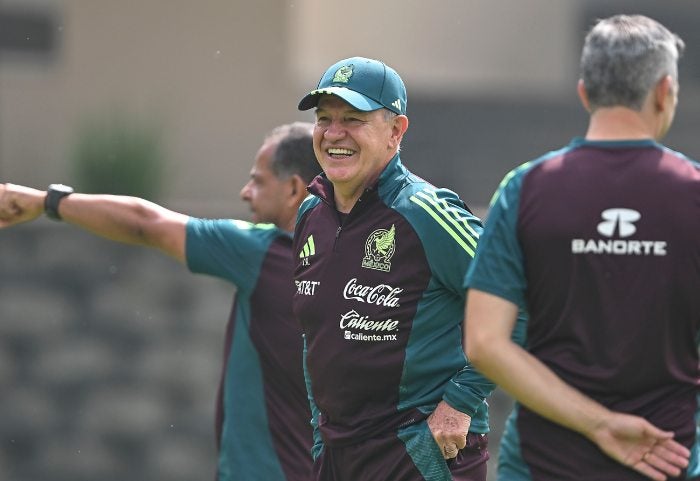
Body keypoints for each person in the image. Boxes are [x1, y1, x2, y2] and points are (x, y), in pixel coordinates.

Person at [0, 122, 320, 481]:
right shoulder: (359, 277)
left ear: (294, 188)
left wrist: (47, 201)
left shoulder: (264, 253)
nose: (246, 192)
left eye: (258, 181)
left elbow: (145, 222)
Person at [463, 14, 699, 481]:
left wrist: (600, 424)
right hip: (670, 458)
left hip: (541, 463)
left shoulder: (524, 189)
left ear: (585, 92)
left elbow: (484, 342)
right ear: (664, 91)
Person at [292, 56, 496, 481]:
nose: (334, 133)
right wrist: (319, 436)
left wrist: (461, 401)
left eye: (353, 118)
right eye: (324, 119)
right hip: (339, 455)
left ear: (396, 131)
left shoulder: (425, 211)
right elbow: (317, 337)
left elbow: (520, 297)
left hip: (422, 449)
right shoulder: (311, 213)